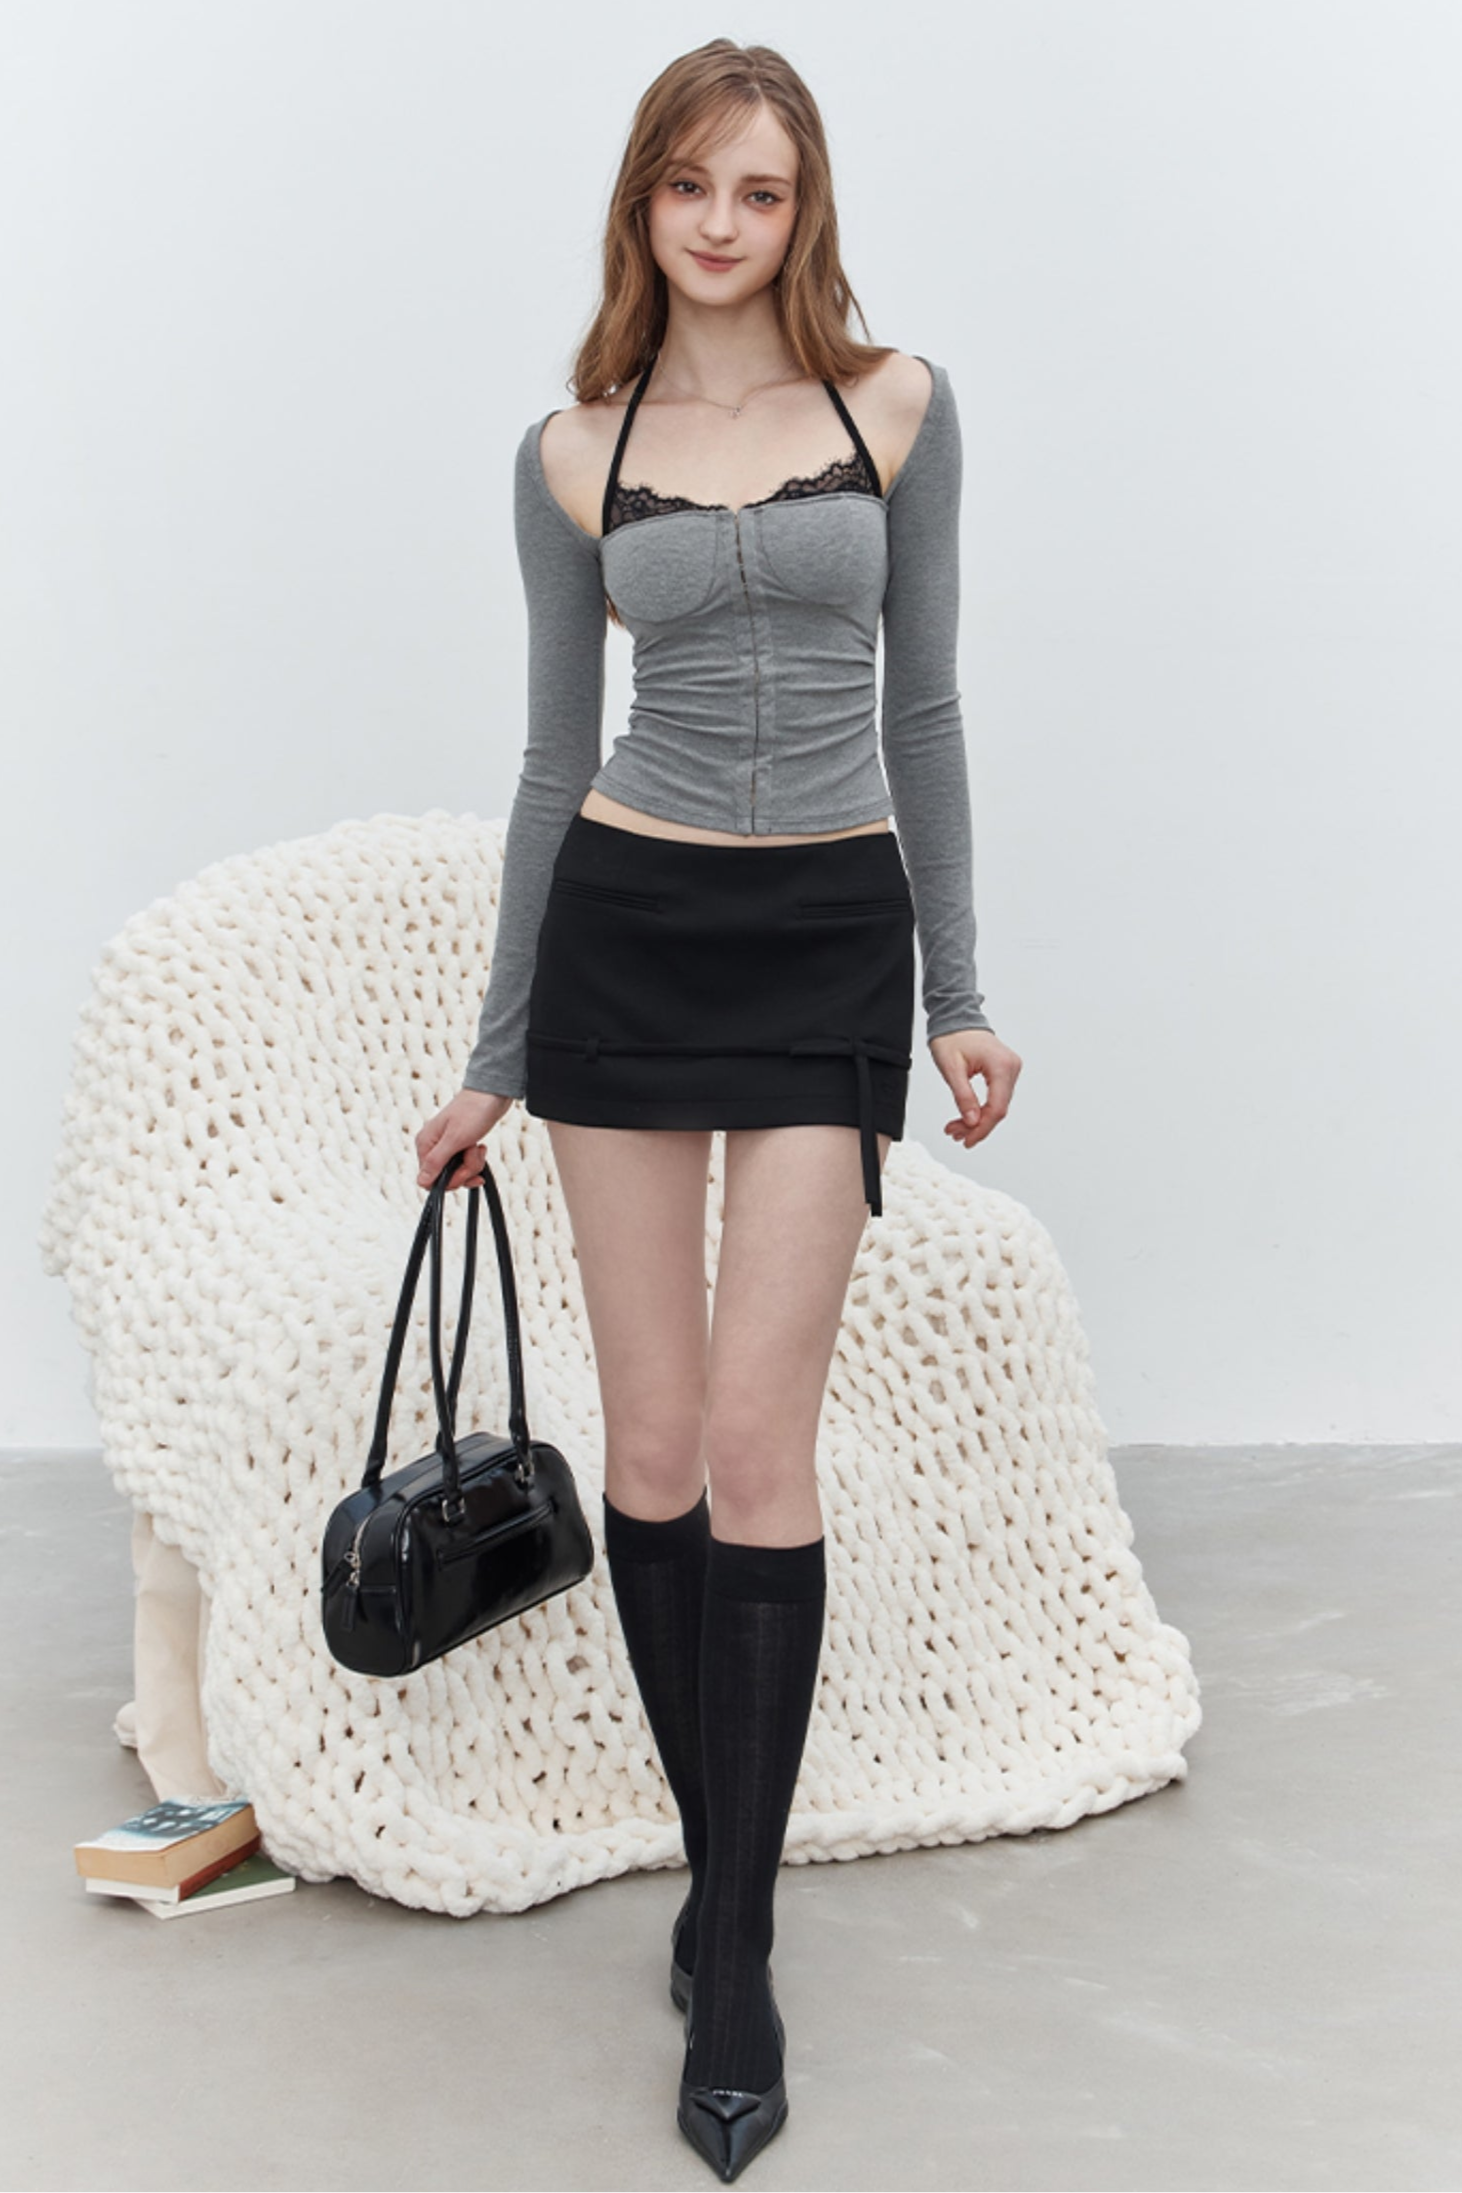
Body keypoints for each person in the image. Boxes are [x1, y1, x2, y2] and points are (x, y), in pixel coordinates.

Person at [417, 37, 1022, 2182]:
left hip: (828, 942)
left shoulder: (896, 410)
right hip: (625, 940)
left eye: (760, 191)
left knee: (763, 1453)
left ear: (802, 208)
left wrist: (958, 993)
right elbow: (543, 760)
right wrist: (495, 1052)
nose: (721, 225)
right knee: (656, 1452)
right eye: (690, 185)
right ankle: (722, 1876)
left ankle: (735, 1954)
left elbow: (925, 706)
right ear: (643, 201)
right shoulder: (570, 452)